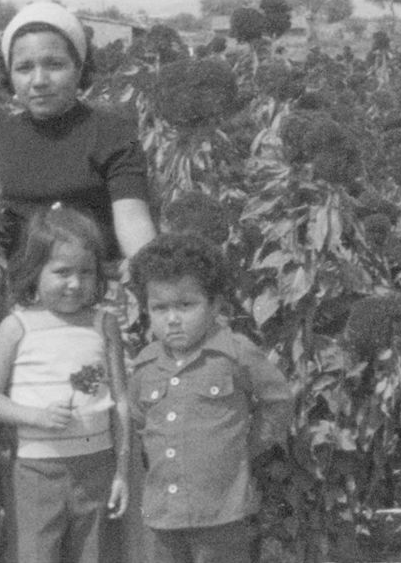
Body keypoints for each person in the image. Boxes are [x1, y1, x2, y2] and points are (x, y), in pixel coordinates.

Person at [0, 205, 131, 563]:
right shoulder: (18, 327)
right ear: (35, 271)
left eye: (86, 273)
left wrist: (121, 473)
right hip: (36, 472)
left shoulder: (103, 325)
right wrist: (36, 416)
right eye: (62, 272)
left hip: (97, 466)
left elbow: (120, 402)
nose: (75, 284)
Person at [128, 232, 293, 563]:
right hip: (163, 511)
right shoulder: (146, 364)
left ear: (215, 305)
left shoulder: (234, 352)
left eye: (186, 305)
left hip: (222, 509)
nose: (172, 318)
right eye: (159, 308)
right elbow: (138, 421)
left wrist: (246, 446)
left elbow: (278, 399)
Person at [0, 0, 156, 262]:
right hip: (16, 290)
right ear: (10, 74)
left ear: (79, 67)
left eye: (54, 65)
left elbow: (132, 220)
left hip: (94, 286)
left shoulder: (112, 136)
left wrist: (150, 278)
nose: (39, 81)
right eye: (24, 68)